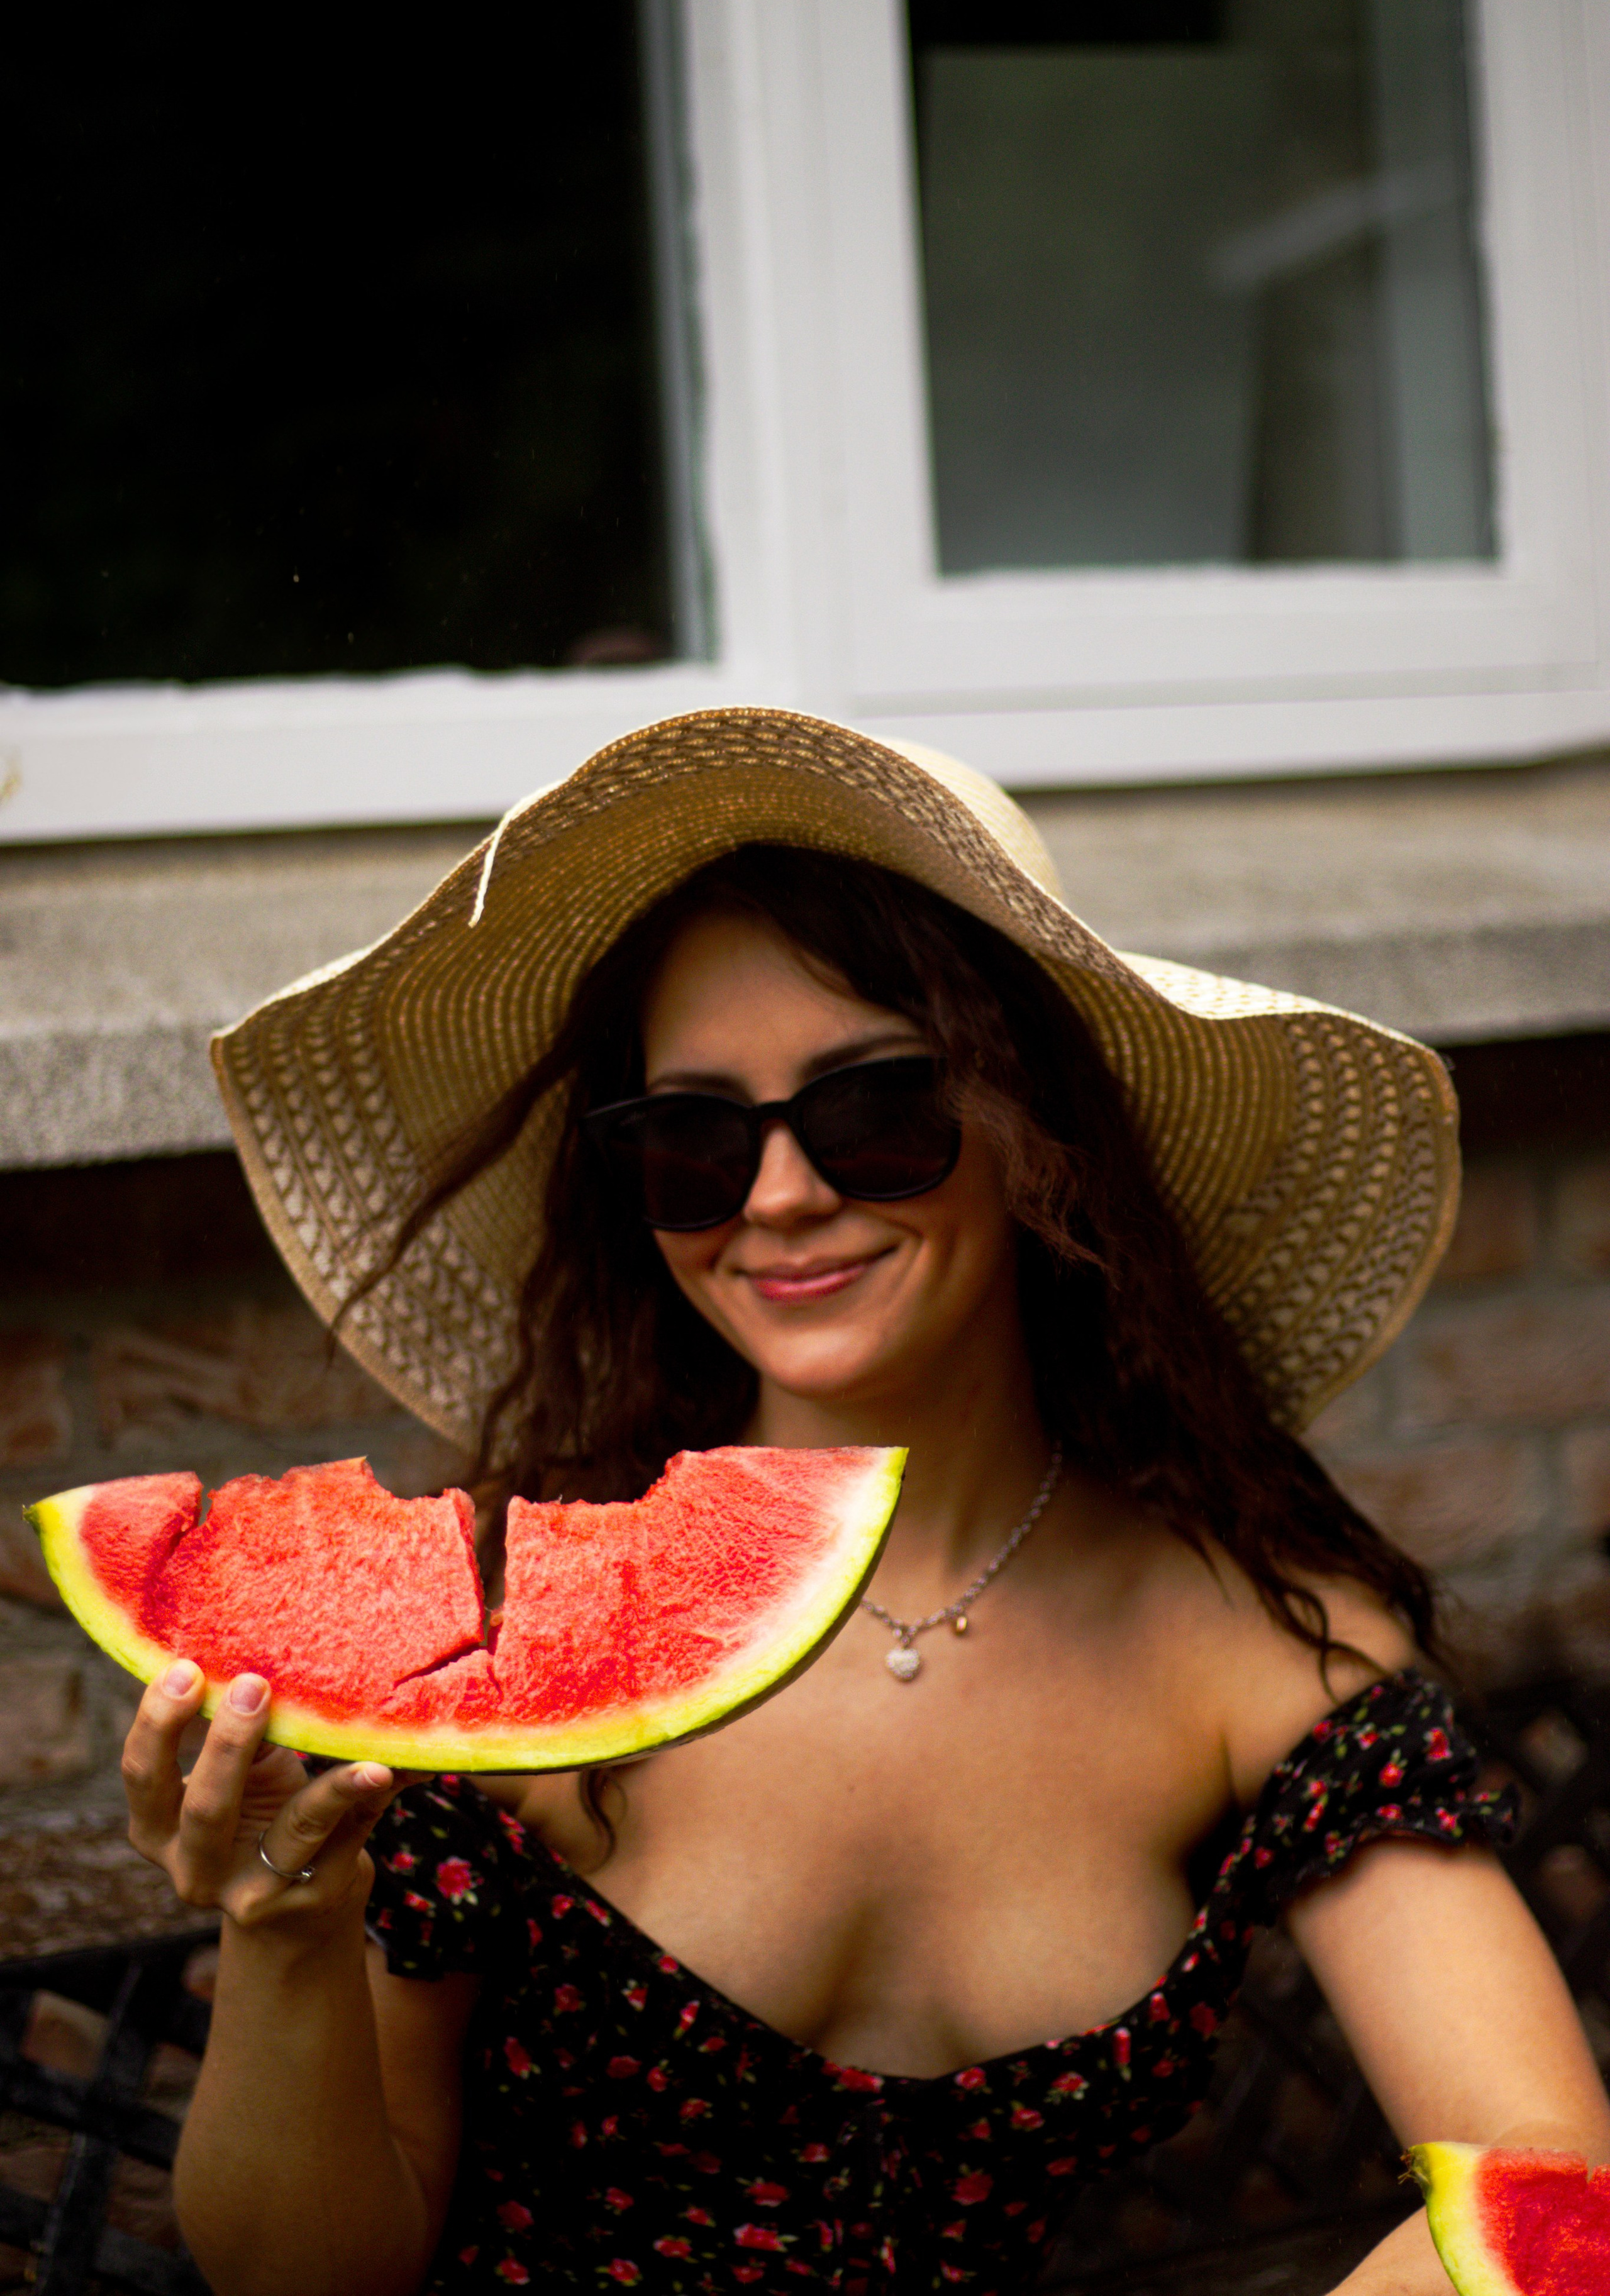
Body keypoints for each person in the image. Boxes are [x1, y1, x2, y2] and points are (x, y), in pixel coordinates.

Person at [120, 713, 1608, 2294]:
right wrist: (283, 1932)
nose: (774, 1197)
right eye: (688, 1139)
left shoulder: (1258, 1650)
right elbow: (303, 2278)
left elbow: (1553, 2190)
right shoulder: (493, 1626)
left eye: (870, 1112)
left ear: (1034, 1135)